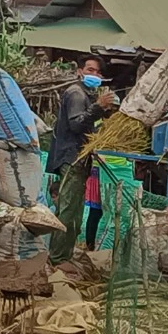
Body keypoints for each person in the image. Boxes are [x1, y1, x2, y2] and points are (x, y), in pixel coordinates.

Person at [48, 56, 115, 264]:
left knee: (74, 212)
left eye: (97, 72)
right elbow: (76, 124)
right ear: (80, 71)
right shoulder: (76, 93)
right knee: (68, 212)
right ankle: (57, 259)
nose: (93, 75)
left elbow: (86, 127)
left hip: (79, 160)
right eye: (90, 70)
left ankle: (63, 256)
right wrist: (98, 106)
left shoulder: (87, 94)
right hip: (72, 159)